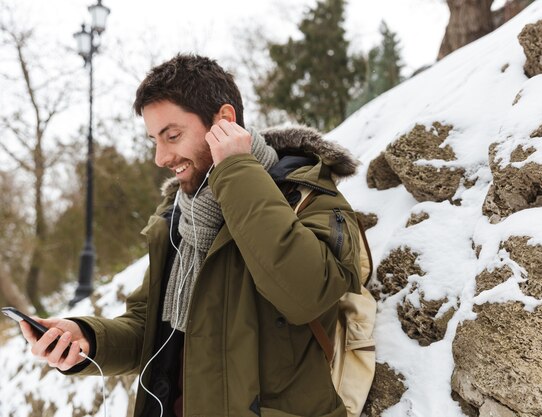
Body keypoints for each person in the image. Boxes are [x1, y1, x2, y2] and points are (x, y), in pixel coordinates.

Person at [19, 53, 362, 417]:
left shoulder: (305, 194)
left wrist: (235, 170)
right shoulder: (181, 218)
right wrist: (87, 339)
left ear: (224, 121)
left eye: (172, 136)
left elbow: (308, 294)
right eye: (154, 139)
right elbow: (149, 329)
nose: (160, 157)